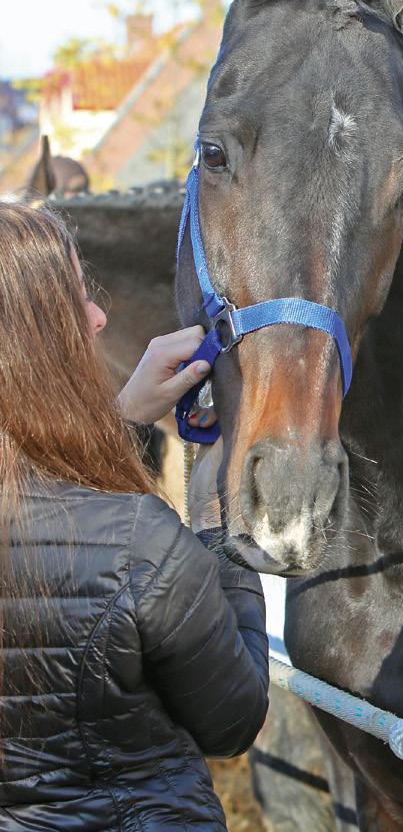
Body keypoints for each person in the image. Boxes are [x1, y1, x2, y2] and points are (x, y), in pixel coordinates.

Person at [0, 202, 269, 831]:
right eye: (73, 302)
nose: (97, 318)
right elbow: (233, 719)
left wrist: (122, 419)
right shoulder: (139, 544)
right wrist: (214, 525)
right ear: (30, 342)